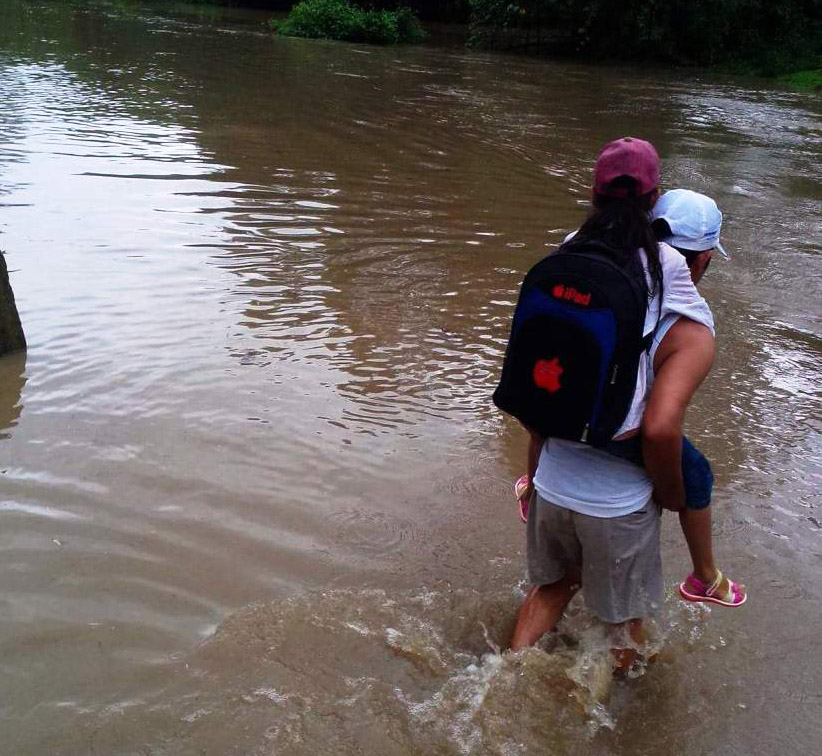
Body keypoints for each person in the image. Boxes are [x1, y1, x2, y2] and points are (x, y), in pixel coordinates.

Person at [508, 138, 724, 663]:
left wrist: (532, 475)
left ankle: (506, 671)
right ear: (654, 198)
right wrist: (671, 495)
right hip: (616, 504)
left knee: (552, 589)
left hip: (553, 479)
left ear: (593, 192)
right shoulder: (678, 291)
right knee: (625, 627)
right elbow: (659, 429)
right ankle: (610, 722)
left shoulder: (569, 252)